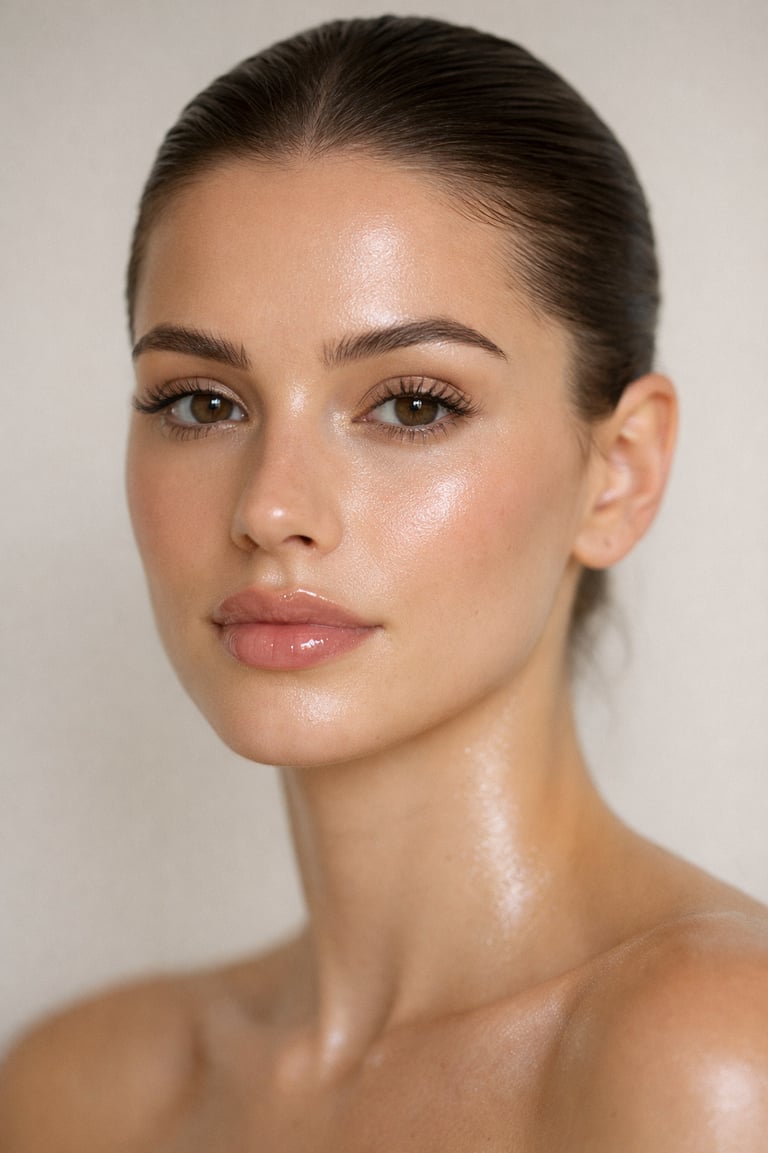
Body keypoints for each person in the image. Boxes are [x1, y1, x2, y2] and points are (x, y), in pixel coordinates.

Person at [1, 14, 767, 1151]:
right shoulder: (79, 1091)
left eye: (413, 403)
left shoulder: (716, 1060)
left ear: (618, 472)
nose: (269, 508)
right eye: (201, 402)